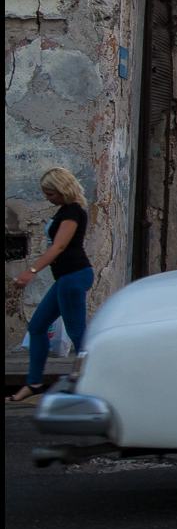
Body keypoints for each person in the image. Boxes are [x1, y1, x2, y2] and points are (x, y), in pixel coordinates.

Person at [9, 168, 94, 403]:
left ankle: (97, 381)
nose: (48, 198)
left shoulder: (73, 212)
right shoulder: (64, 211)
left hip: (74, 276)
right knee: (37, 327)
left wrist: (31, 271)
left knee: (78, 334)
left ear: (63, 189)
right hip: (66, 278)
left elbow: (58, 247)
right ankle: (34, 383)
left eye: (51, 193)